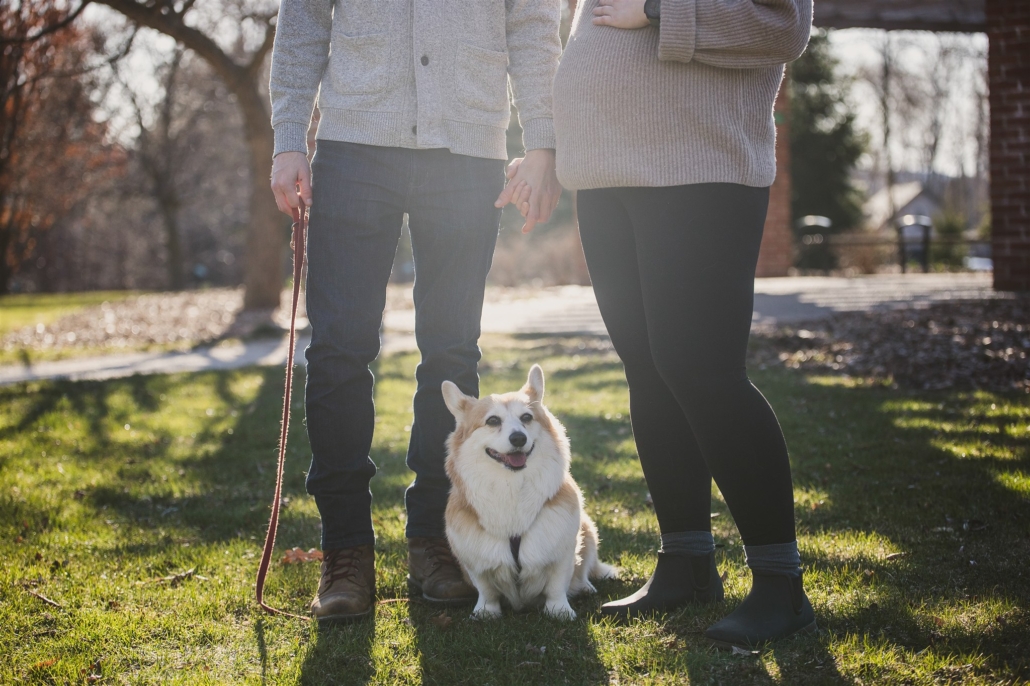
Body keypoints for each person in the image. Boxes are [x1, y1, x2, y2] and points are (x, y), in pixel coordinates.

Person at [268, 0, 563, 624]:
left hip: (468, 146)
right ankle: (345, 549)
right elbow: (303, 22)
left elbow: (534, 22)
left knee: (452, 351)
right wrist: (288, 140)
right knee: (339, 350)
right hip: (353, 145)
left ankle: (434, 537)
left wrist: (542, 139)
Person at [547, 0, 815, 648]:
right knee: (650, 368)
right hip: (605, 172)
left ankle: (781, 586)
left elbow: (782, 25)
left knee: (702, 371)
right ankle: (687, 560)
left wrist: (659, 11)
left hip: (699, 167)